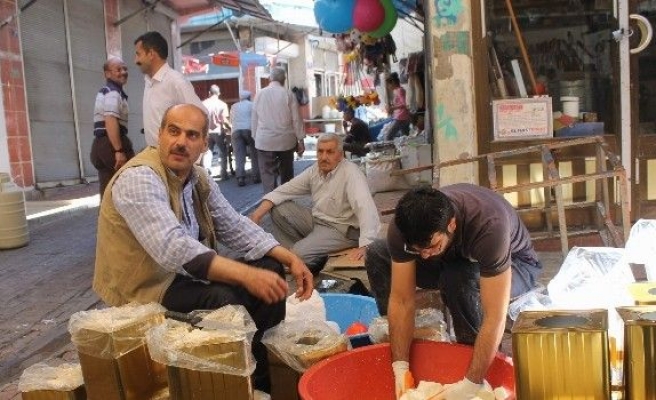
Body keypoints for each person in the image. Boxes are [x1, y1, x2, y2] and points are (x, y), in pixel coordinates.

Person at [93, 103, 314, 396]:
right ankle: (232, 384)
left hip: (184, 278)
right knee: (223, 300)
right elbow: (174, 248)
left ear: (204, 145)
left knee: (269, 269)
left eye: (192, 135)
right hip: (146, 289)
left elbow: (233, 226)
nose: (180, 142)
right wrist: (245, 276)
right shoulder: (139, 178)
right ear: (159, 135)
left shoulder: (197, 178)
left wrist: (289, 258)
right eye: (173, 131)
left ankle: (259, 381)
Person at [365, 184, 542, 399]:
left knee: (458, 277)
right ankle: (395, 342)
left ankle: (470, 362)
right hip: (452, 260)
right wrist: (400, 369)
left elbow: (495, 316)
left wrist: (470, 384)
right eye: (417, 250)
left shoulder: (488, 225)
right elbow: (402, 300)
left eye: (432, 246)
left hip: (517, 266)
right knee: (377, 253)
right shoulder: (404, 228)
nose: (425, 256)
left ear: (452, 224)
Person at [250, 133, 381, 274]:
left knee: (297, 255)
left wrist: (366, 245)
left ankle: (301, 257)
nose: (324, 157)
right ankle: (298, 254)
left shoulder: (351, 173)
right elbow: (283, 191)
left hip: (342, 230)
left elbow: (366, 209)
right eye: (320, 151)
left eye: (330, 152)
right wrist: (256, 215)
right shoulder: (314, 170)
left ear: (340, 155)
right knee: (277, 208)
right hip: (318, 222)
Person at [134, 31, 205, 147]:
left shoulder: (176, 81)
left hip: (173, 158)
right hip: (154, 154)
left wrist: (193, 157)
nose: (135, 60)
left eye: (138, 54)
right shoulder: (149, 81)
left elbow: (201, 115)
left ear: (151, 54)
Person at [251, 67, 304, 194]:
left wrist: (255, 137)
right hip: (286, 141)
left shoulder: (260, 94)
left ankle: (271, 206)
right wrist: (300, 139)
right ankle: (286, 202)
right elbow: (296, 119)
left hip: (265, 141)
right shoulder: (288, 94)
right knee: (286, 175)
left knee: (268, 176)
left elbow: (254, 119)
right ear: (284, 79)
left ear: (270, 78)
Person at [90, 57, 135, 198]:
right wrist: (119, 150)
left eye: (125, 68)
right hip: (110, 144)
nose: (123, 72)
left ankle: (105, 219)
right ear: (107, 74)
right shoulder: (113, 93)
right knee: (129, 184)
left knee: (108, 191)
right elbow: (110, 120)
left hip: (100, 144)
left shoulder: (108, 91)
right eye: (118, 69)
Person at [203, 84, 233, 180]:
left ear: (209, 93)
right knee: (223, 152)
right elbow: (224, 120)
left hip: (206, 131)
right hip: (218, 131)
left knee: (207, 152)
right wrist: (230, 128)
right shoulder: (222, 104)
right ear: (219, 93)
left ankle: (207, 171)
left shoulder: (203, 104)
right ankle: (223, 174)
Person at [230, 90, 260, 186]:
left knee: (239, 155)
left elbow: (231, 119)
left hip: (236, 130)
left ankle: (240, 177)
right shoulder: (252, 105)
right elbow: (257, 118)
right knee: (254, 153)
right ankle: (256, 176)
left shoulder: (234, 106)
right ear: (249, 97)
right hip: (249, 129)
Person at [384, 72, 411, 141]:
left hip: (401, 118)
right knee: (406, 137)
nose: (388, 87)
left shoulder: (400, 90)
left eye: (388, 85)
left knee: (388, 136)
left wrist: (393, 108)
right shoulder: (396, 91)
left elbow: (405, 104)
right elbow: (399, 103)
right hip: (401, 117)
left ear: (393, 83)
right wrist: (392, 106)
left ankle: (392, 151)